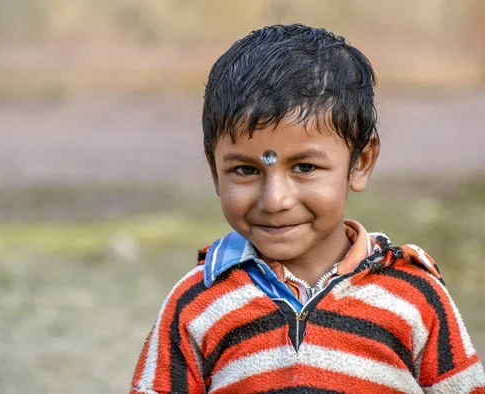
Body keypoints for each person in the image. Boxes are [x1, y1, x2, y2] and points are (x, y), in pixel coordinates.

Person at [130, 23, 485, 393]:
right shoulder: (196, 304)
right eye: (246, 170)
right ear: (214, 170)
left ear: (360, 162)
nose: (275, 200)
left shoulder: (414, 296)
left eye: (305, 167)